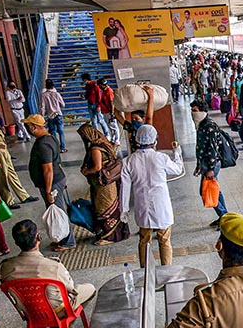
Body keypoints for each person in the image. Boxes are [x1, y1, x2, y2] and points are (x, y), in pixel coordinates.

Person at [0, 220, 95, 328]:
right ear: (38, 237)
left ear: (16, 243)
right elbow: (71, 289)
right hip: (57, 311)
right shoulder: (52, 265)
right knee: (90, 289)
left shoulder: (4, 267)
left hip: (30, 311)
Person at [121, 124, 183, 267]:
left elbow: (125, 187)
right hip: (161, 205)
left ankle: (145, 271)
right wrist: (176, 153)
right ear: (154, 141)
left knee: (144, 240)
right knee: (164, 239)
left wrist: (124, 210)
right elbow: (178, 169)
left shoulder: (128, 161)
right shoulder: (161, 158)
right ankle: (167, 270)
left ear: (137, 140)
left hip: (142, 206)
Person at [23, 113, 76, 251]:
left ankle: (68, 241)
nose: (28, 129)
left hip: (52, 183)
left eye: (28, 126)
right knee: (56, 209)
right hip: (56, 179)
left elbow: (48, 169)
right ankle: (61, 237)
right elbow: (57, 162)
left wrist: (48, 191)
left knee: (59, 211)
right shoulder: (50, 138)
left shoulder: (43, 144)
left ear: (34, 127)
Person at [77, 124, 130, 246]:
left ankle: (109, 236)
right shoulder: (104, 143)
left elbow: (97, 167)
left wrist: (86, 171)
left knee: (104, 209)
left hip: (103, 185)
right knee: (112, 206)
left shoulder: (96, 149)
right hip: (110, 182)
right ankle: (116, 233)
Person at [0, 101, 37, 209]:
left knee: (12, 174)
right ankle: (8, 201)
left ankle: (24, 196)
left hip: (4, 151)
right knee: (2, 177)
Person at [191, 101, 229, 227]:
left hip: (212, 164)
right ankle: (224, 216)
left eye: (195, 110)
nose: (193, 113)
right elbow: (201, 147)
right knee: (215, 189)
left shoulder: (209, 126)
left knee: (205, 190)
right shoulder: (201, 124)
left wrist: (211, 169)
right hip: (206, 164)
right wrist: (199, 166)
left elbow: (213, 149)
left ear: (202, 111)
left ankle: (224, 216)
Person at [114, 85, 155, 152]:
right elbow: (117, 114)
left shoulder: (147, 128)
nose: (134, 121)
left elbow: (149, 117)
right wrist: (118, 102)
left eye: (136, 119)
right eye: (132, 119)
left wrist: (151, 96)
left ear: (143, 119)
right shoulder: (131, 128)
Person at [40, 80, 67, 153]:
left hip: (50, 116)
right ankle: (63, 147)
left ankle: (56, 147)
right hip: (58, 114)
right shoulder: (57, 94)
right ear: (53, 86)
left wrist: (42, 116)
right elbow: (63, 104)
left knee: (53, 132)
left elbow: (42, 107)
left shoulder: (43, 95)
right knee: (61, 131)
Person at [97, 78, 120, 145]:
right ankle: (113, 139)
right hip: (105, 111)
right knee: (110, 126)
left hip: (109, 112)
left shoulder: (109, 91)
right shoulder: (104, 91)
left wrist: (112, 112)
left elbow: (112, 102)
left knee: (114, 126)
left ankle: (117, 140)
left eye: (99, 85)